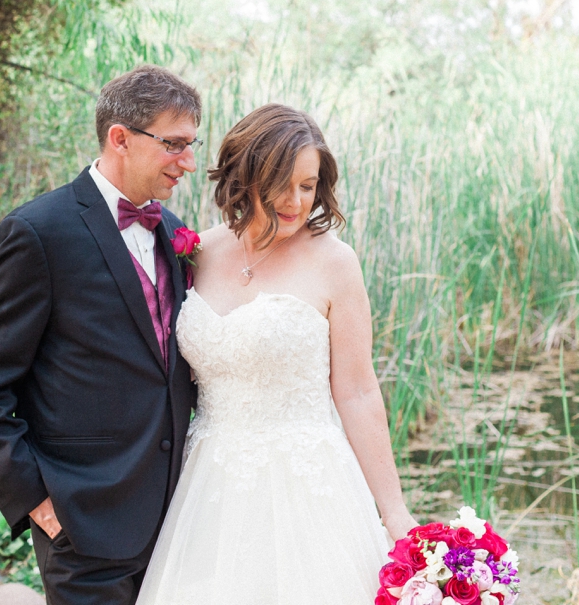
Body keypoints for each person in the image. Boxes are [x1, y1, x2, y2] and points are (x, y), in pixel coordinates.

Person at [135, 103, 418, 604]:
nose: (296, 201)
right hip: (209, 490)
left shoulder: (335, 262)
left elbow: (356, 391)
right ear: (247, 176)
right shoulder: (199, 249)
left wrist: (394, 511)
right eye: (281, 183)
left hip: (305, 487)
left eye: (308, 186)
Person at [0, 65, 203, 605]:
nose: (189, 162)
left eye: (192, 145)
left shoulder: (173, 230)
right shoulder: (39, 232)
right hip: (83, 524)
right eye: (175, 145)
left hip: (176, 522)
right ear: (121, 138)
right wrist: (37, 500)